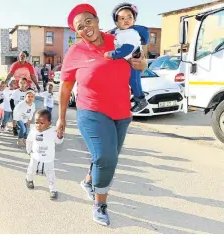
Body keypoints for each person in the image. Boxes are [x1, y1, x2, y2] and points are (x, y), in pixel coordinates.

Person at [56, 3, 147, 226]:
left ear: (97, 20)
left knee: (105, 157)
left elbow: (139, 60)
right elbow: (65, 87)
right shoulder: (75, 52)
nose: (86, 28)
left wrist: (142, 64)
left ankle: (89, 181)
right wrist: (61, 118)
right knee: (107, 158)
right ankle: (100, 204)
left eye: (89, 21)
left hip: (122, 112)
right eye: (80, 27)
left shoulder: (118, 39)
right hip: (91, 111)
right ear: (76, 32)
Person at [104, 3, 149, 113]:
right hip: (128, 61)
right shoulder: (120, 32)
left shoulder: (131, 33)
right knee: (132, 81)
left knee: (134, 80)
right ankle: (137, 95)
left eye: (130, 17)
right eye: (122, 18)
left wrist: (112, 54)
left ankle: (141, 100)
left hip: (134, 60)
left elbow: (127, 49)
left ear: (134, 20)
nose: (126, 20)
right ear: (116, 22)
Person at [26, 109, 64, 200]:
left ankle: (53, 189)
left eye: (41, 123)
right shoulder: (33, 130)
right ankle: (29, 179)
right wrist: (28, 150)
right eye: (36, 122)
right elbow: (29, 141)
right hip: (35, 156)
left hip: (48, 158)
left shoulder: (53, 132)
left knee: (50, 174)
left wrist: (60, 136)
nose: (38, 125)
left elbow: (59, 141)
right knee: (31, 170)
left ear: (49, 123)